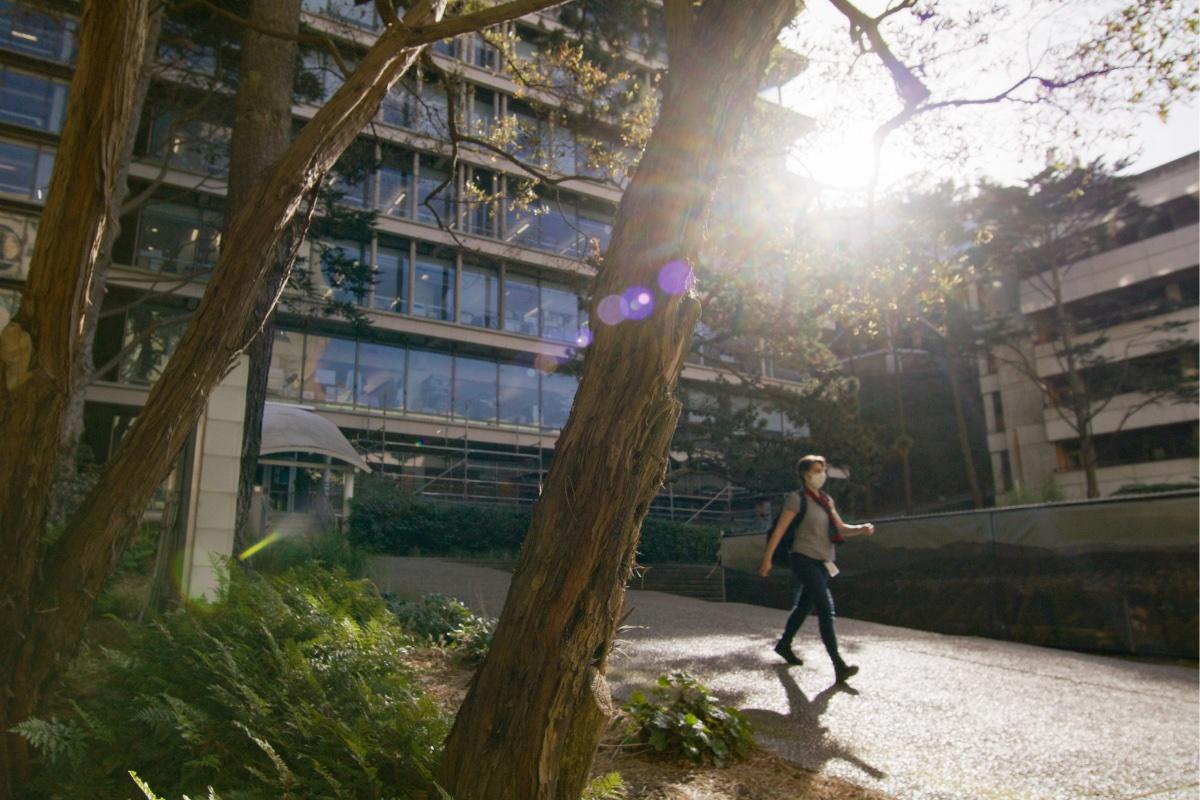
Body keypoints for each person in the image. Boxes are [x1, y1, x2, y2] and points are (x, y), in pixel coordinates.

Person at [758, 454, 875, 683]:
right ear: (805, 474)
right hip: (803, 558)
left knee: (803, 607)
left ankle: (784, 644)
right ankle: (839, 665)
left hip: (823, 561)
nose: (821, 474)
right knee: (825, 607)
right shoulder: (796, 499)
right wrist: (767, 559)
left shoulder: (825, 500)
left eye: (823, 470)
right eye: (816, 470)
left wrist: (860, 528)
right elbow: (780, 530)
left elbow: (840, 527)